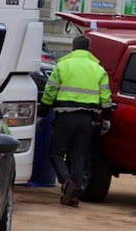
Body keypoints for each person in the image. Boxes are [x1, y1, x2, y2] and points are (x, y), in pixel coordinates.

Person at [38, 35, 112, 207]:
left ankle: (66, 182)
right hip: (87, 119)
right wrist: (107, 119)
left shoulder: (63, 66)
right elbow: (106, 97)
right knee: (78, 156)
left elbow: (50, 91)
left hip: (65, 117)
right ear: (89, 49)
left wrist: (42, 112)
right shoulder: (98, 69)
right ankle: (74, 195)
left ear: (73, 47)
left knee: (55, 153)